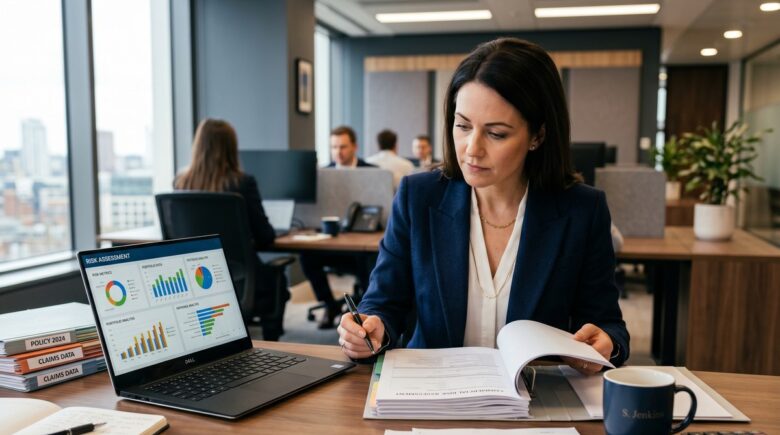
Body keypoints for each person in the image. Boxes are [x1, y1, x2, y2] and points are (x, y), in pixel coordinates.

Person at [338, 38, 630, 374]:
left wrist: (606, 342)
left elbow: (608, 324)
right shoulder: (417, 197)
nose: (471, 149)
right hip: (432, 396)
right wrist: (370, 329)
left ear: (538, 135)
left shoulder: (582, 210)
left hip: (535, 402)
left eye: (496, 133)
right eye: (462, 126)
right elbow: (384, 302)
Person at [303, 125, 375, 329]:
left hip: (360, 246)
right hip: (330, 242)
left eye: (343, 146)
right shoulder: (323, 174)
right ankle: (329, 304)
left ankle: (365, 313)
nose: (338, 152)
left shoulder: (371, 173)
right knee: (307, 256)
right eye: (334, 147)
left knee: (368, 258)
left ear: (354, 147)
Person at [174, 118, 275, 250]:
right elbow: (265, 236)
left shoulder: (180, 182)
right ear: (231, 148)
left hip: (195, 267)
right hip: (239, 269)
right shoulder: (242, 183)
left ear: (198, 145)